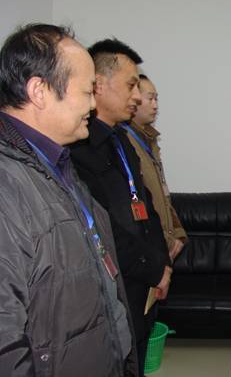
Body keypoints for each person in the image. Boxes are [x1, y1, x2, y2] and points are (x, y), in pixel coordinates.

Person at [0, 24, 138, 376]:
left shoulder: (58, 163)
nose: (93, 104)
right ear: (40, 91)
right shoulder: (8, 184)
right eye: (87, 91)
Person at [69, 39, 171, 376]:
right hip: (114, 286)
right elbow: (101, 227)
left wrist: (163, 264)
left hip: (144, 283)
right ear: (99, 84)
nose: (138, 96)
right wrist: (153, 267)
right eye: (131, 85)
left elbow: (147, 207)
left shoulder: (122, 139)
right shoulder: (77, 148)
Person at [123, 74, 188, 262]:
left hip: (164, 243)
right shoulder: (124, 141)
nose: (155, 105)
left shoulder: (150, 142)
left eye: (156, 99)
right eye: (150, 98)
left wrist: (177, 233)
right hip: (148, 246)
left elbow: (163, 196)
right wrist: (162, 241)